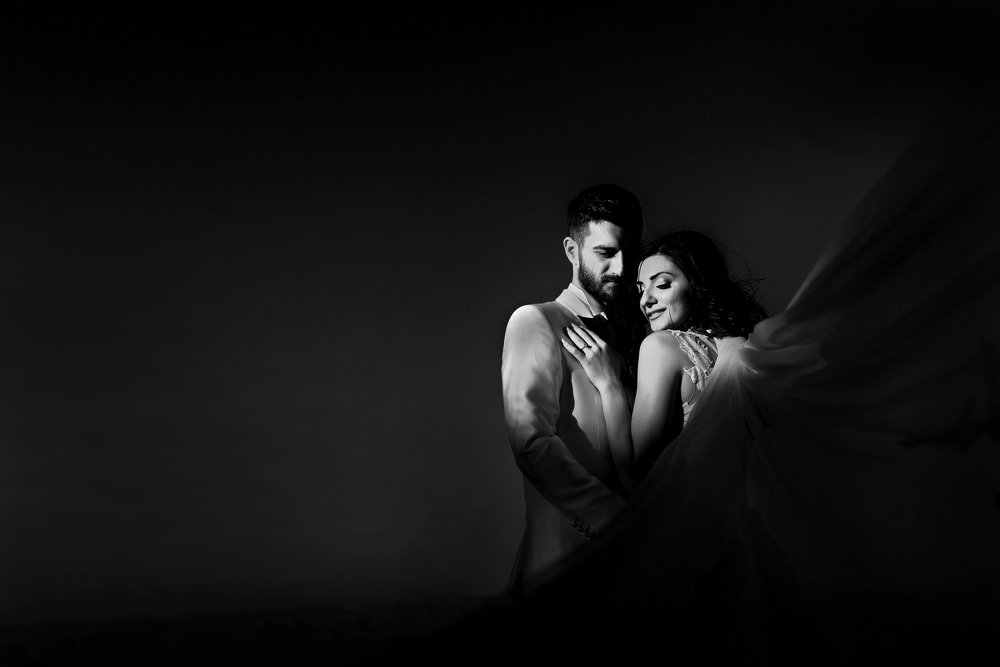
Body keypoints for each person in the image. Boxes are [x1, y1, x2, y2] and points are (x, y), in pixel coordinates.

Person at [500, 183, 644, 596]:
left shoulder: (637, 337)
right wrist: (613, 520)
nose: (620, 267)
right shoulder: (534, 321)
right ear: (572, 250)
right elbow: (531, 442)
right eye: (605, 253)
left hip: (632, 567)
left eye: (629, 253)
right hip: (564, 560)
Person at [562, 230, 768, 490]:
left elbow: (635, 472)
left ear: (698, 284)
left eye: (661, 284)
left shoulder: (662, 346)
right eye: (640, 289)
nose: (645, 300)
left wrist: (608, 382)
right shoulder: (746, 347)